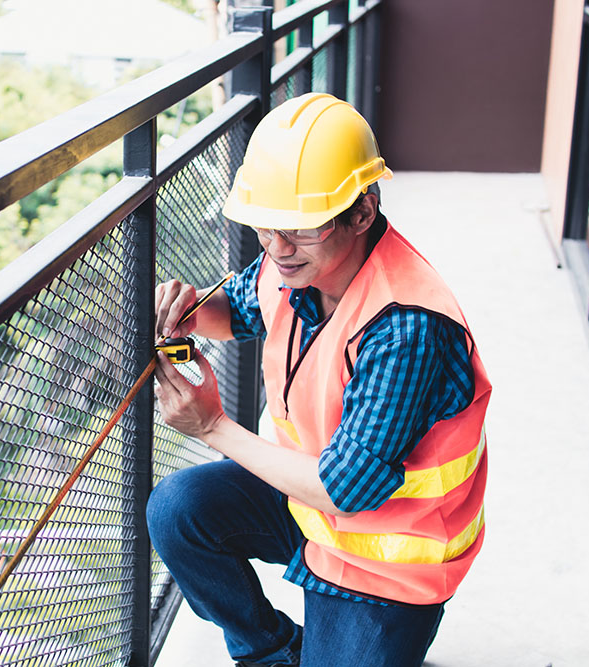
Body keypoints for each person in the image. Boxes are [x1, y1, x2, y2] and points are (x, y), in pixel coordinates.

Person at [147, 93, 490, 667]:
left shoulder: (407, 328)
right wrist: (186, 311)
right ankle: (274, 655)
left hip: (389, 561)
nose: (277, 248)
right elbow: (236, 308)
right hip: (308, 505)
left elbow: (346, 491)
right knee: (178, 509)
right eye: (265, 226)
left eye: (299, 230)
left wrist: (212, 426)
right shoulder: (297, 262)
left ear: (362, 213)